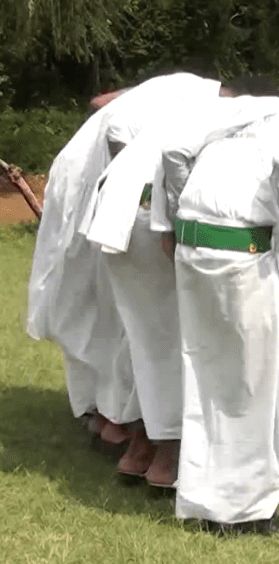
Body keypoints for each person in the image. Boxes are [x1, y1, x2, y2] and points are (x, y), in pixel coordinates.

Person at [159, 93, 279, 533]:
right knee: (254, 383)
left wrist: (184, 214)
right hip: (240, 250)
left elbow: (173, 148)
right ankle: (244, 513)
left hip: (194, 245)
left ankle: (204, 497)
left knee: (207, 375)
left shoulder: (252, 108)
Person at [80, 79, 279, 486]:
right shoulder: (244, 121)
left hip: (117, 213)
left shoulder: (188, 105)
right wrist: (171, 230)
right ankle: (166, 455)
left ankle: (135, 444)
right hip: (146, 216)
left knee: (145, 339)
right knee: (175, 342)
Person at [26, 72, 225, 457]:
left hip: (105, 192)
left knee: (109, 310)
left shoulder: (184, 90)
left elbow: (104, 102)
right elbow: (116, 120)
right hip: (100, 191)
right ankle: (114, 419)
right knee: (113, 312)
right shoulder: (195, 95)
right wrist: (130, 180)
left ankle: (104, 412)